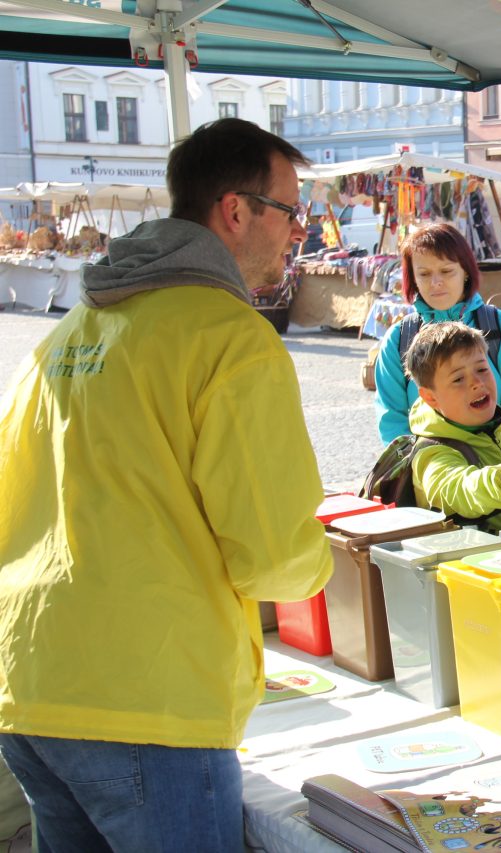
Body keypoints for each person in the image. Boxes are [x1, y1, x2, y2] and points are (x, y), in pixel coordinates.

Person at [0, 117, 334, 850]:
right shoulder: (228, 337)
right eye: (289, 210)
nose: (297, 231)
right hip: (147, 702)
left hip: (29, 681)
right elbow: (274, 554)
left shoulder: (69, 333)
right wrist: (324, 552)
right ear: (235, 210)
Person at [373, 223, 501, 449]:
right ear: (413, 278)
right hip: (429, 475)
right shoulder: (398, 339)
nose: (436, 282)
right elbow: (392, 419)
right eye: (424, 274)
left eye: (446, 271)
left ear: (466, 272)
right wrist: (421, 469)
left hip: (497, 471)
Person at [403, 321, 501, 535]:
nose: (477, 382)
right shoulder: (433, 451)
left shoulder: (496, 424)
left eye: (481, 369)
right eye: (458, 379)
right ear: (430, 397)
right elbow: (458, 489)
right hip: (465, 563)